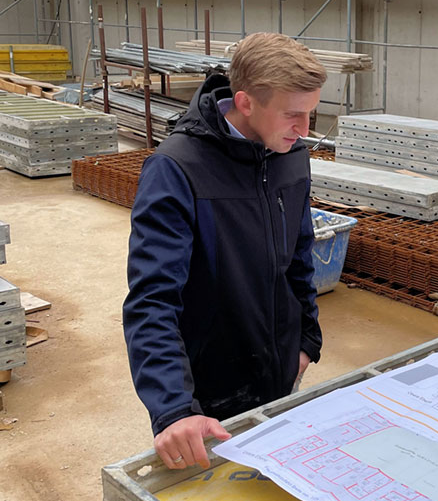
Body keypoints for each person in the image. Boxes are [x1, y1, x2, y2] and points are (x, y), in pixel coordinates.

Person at [123, 32, 327, 470]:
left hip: (282, 374)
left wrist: (307, 341)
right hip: (208, 398)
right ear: (246, 102)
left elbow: (299, 258)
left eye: (311, 114)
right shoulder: (177, 169)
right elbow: (152, 301)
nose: (305, 129)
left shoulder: (290, 156)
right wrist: (175, 408)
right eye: (293, 115)